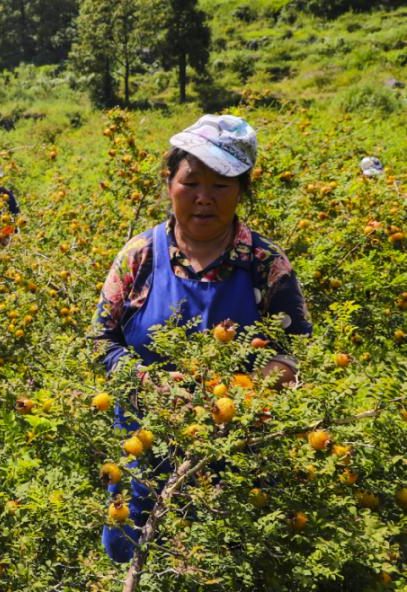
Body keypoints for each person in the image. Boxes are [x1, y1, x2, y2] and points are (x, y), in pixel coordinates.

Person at [91, 114, 312, 563]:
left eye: (221, 186)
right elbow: (100, 339)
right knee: (134, 553)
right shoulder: (140, 256)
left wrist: (270, 379)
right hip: (143, 444)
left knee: (224, 557)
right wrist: (144, 379)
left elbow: (299, 353)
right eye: (191, 183)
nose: (204, 199)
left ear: (242, 190)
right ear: (169, 181)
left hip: (237, 452)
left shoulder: (265, 263)